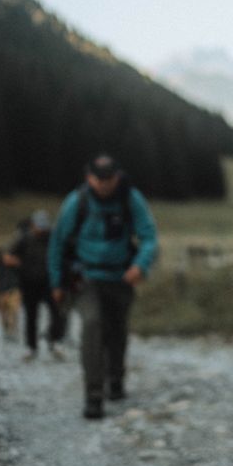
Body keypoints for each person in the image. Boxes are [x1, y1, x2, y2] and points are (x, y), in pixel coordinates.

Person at [48, 154, 158, 420]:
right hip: (87, 278)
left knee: (117, 331)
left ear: (117, 176)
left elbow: (149, 236)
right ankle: (94, 395)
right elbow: (57, 243)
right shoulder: (78, 202)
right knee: (93, 326)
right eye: (100, 179)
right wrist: (56, 282)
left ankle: (116, 379)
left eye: (110, 178)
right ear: (90, 178)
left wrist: (140, 265)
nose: (105, 184)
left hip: (121, 277)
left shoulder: (130, 199)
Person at [3, 209, 65, 361]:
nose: (42, 230)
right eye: (39, 226)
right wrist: (18, 263)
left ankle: (53, 340)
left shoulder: (53, 238)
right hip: (29, 283)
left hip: (50, 283)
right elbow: (7, 256)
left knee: (57, 313)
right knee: (31, 316)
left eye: (44, 227)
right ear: (33, 225)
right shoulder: (23, 239)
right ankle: (32, 348)